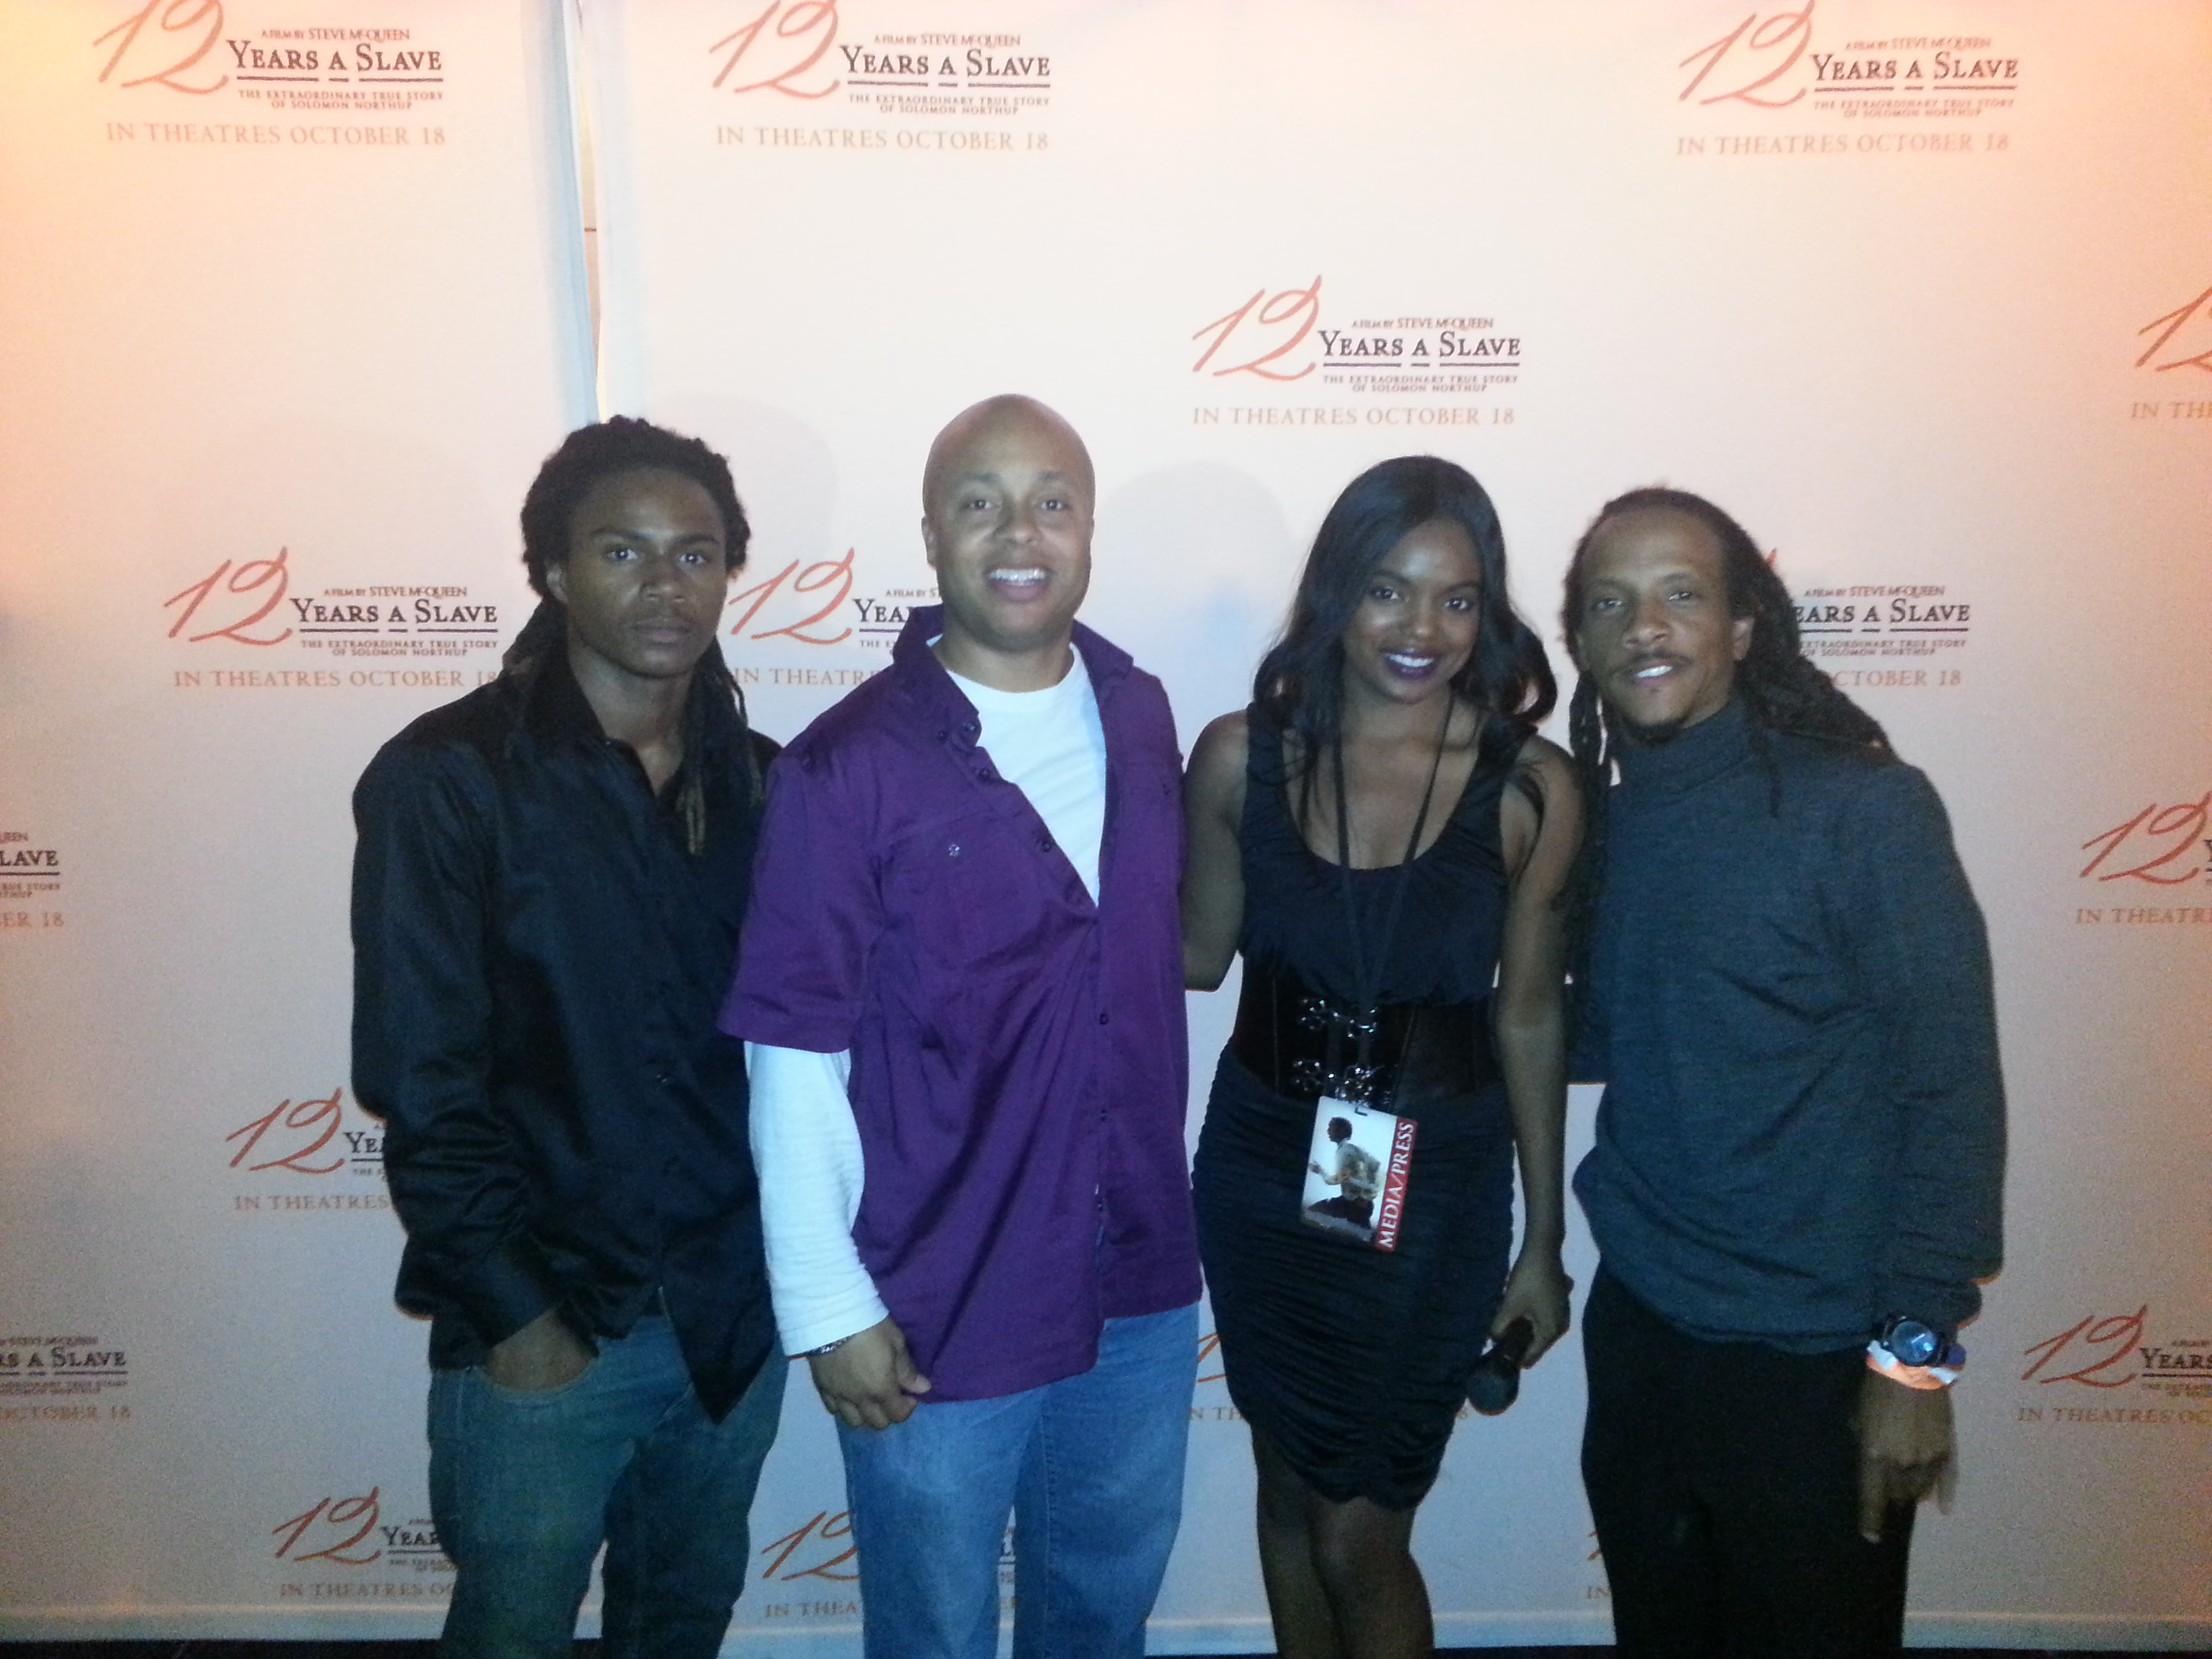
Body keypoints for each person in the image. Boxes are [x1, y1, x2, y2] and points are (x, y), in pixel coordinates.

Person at [720, 394, 1203, 1659]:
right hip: (940, 1297)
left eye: (1052, 500)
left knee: (1101, 1607)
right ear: (931, 536)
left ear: (1089, 528)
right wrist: (828, 1308)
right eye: (979, 502)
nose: (1019, 532)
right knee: (932, 1628)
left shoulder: (1141, 714)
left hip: (1136, 1279)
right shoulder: (847, 768)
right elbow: (794, 1059)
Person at [350, 417, 785, 1659]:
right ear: (552, 571)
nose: (665, 585)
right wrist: (518, 1313)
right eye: (623, 552)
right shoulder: (448, 779)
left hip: (726, 1321)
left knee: (683, 1625)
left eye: (695, 554)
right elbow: (418, 1075)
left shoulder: (761, 782)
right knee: (513, 1635)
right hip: (548, 1325)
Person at [1560, 487, 2005, 1656]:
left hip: (1812, 1367)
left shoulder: (1863, 811)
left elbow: (1952, 1093)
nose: (1643, 626)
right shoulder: (1606, 822)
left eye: (1680, 594)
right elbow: (1611, 1042)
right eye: (1610, 602)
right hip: (1645, 1332)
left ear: (1745, 626)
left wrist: (1913, 1361)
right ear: (1582, 641)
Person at [1182, 455, 1582, 1659]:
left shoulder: (1532, 789)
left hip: (1436, 1176)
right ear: (1334, 595)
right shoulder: (1239, 759)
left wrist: (1546, 1243)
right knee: (1284, 1482)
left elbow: (1528, 1016)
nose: (1422, 629)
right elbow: (1195, 957)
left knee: (1360, 1529)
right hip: (1261, 1159)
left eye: (1457, 599)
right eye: (1389, 592)